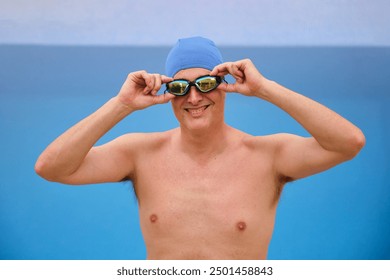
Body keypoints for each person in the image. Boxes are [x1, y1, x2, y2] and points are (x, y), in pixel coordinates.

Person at [35, 36, 365, 259]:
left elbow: (349, 143)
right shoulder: (139, 153)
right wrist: (121, 104)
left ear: (224, 86)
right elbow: (50, 168)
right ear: (169, 92)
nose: (194, 98)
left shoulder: (268, 156)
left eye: (206, 84)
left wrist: (266, 89)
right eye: (180, 87)